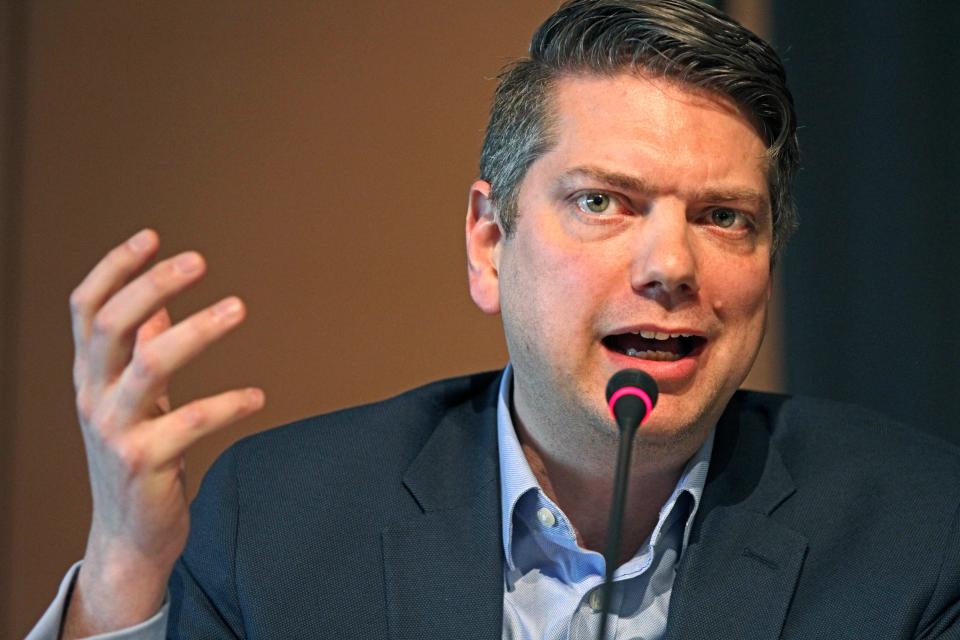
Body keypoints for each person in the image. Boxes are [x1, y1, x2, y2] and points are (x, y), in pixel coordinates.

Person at [29, 0, 960, 638]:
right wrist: (123, 571)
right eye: (605, 202)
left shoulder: (918, 531)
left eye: (725, 218)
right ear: (488, 243)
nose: (671, 266)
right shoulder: (279, 520)